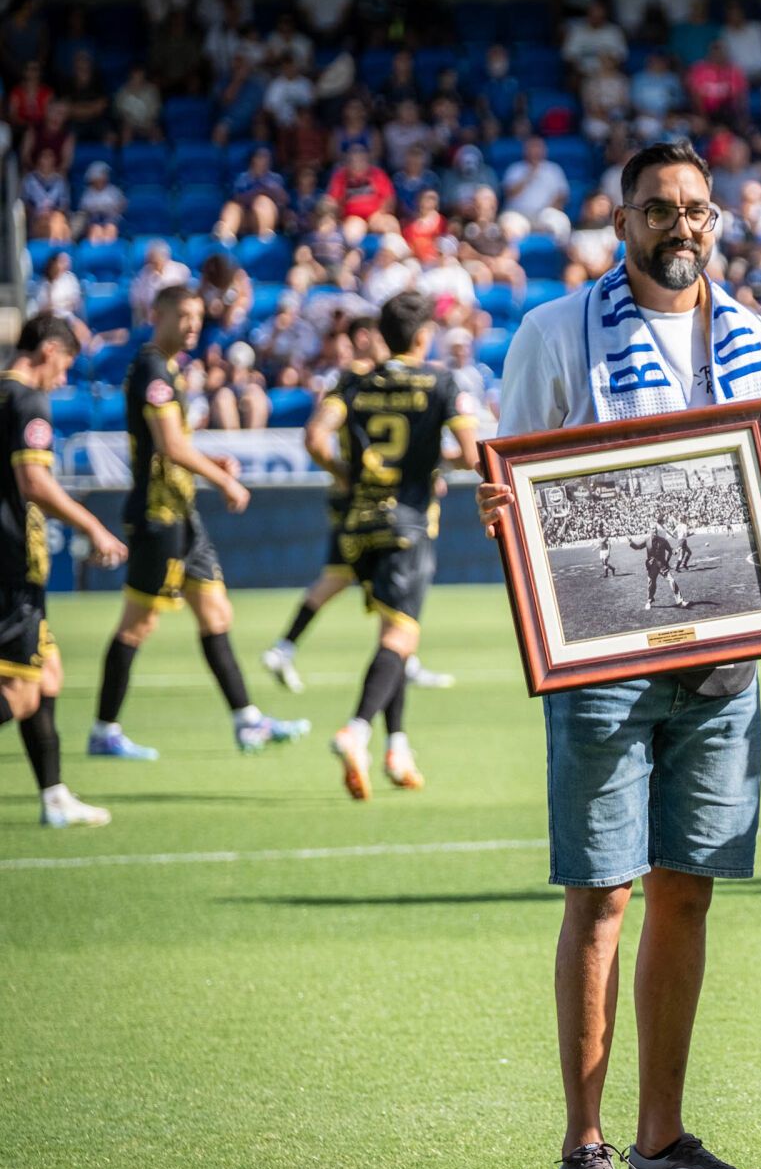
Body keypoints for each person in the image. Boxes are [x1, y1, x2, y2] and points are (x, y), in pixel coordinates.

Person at [477, 139, 761, 1169]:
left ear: (716, 221)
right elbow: (516, 477)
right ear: (620, 219)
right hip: (605, 662)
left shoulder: (758, 341)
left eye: (696, 210)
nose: (680, 226)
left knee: (688, 885)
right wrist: (504, 515)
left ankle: (661, 1141)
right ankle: (584, 1149)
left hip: (724, 664)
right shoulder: (553, 333)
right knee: (602, 891)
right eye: (658, 209)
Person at [88, 287, 306, 761]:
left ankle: (248, 721)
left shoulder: (169, 369)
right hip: (158, 518)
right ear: (156, 314)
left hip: (183, 517)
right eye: (182, 315)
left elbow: (178, 445)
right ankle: (104, 729)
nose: (191, 324)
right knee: (137, 625)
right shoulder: (151, 367)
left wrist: (212, 462)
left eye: (197, 316)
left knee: (216, 614)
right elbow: (170, 445)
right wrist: (223, 481)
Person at [308, 291, 480, 799]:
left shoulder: (353, 382)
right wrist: (434, 462)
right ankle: (356, 729)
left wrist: (348, 474)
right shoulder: (442, 382)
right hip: (408, 525)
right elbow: (471, 456)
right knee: (399, 640)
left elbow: (315, 438)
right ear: (425, 336)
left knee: (395, 633)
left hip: (359, 523)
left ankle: (397, 748)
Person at [264, 321, 456, 694]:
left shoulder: (356, 382)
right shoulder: (358, 380)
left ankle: (290, 648)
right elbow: (320, 437)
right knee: (348, 578)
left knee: (351, 580)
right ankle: (287, 648)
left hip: (367, 497)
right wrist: (351, 473)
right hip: (372, 502)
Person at [2, 315, 128, 827]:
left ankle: (54, 797)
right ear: (50, 350)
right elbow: (34, 481)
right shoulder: (28, 401)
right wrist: (93, 527)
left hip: (10, 566)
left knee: (47, 669)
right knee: (21, 691)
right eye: (67, 363)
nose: (64, 378)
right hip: (10, 567)